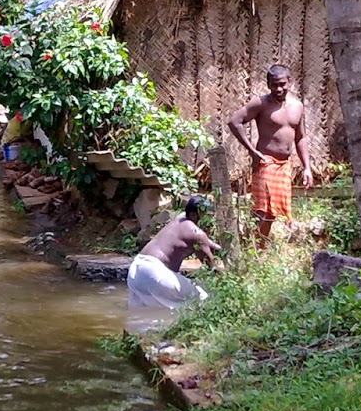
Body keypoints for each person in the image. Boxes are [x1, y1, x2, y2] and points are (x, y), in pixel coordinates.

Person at [228, 64, 314, 245]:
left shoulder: (297, 106)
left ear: (290, 82)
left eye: (282, 84)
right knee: (262, 210)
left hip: (285, 165)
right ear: (268, 84)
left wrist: (307, 168)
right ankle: (253, 249)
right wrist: (252, 151)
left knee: (273, 212)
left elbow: (301, 138)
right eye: (274, 85)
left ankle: (259, 246)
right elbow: (235, 122)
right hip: (265, 162)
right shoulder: (261, 103)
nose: (279, 89)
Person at [127, 196, 220, 309]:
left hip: (136, 270)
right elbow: (211, 266)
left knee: (143, 314)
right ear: (194, 215)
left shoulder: (180, 218)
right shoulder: (197, 234)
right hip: (155, 273)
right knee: (203, 297)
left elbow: (205, 241)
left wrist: (218, 247)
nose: (209, 220)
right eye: (205, 215)